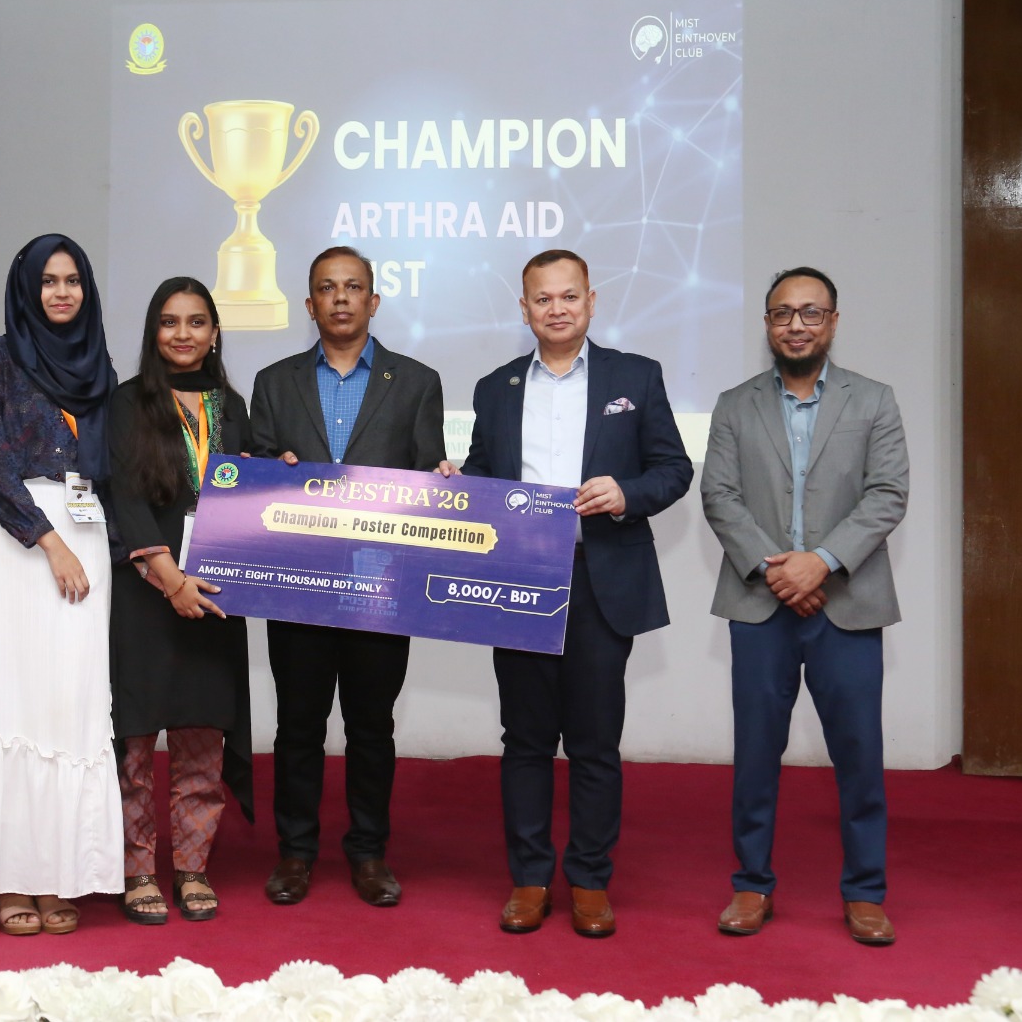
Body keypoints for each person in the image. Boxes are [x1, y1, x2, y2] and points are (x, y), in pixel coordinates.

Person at [460, 249, 692, 937]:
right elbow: (482, 475)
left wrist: (627, 493)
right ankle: (530, 878)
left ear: (592, 301)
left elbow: (674, 469)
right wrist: (455, 484)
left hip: (600, 578)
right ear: (524, 308)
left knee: (594, 743)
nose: (556, 309)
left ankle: (590, 880)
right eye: (543, 299)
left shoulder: (635, 376)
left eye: (569, 296)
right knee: (526, 740)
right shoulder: (495, 387)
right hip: (519, 580)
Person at [700, 266, 909, 945]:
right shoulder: (734, 405)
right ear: (766, 323)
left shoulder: (873, 400)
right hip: (760, 603)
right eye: (783, 313)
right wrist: (780, 567)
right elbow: (719, 496)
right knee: (756, 754)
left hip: (847, 603)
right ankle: (751, 884)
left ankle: (866, 891)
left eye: (811, 312)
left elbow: (887, 493)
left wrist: (821, 560)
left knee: (859, 754)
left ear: (833, 322)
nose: (796, 324)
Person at [0, 234, 123, 936]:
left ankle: (57, 873)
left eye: (72, 280)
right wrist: (48, 541)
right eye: (48, 280)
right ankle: (6, 876)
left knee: (68, 705)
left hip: (86, 540)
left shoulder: (100, 369)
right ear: (26, 288)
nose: (61, 292)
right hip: (16, 544)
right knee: (7, 699)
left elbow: (111, 469)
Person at [249, 246, 446, 908]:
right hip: (297, 585)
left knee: (371, 726)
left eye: (353, 287)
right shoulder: (274, 382)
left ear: (373, 300)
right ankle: (295, 853)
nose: (340, 298)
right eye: (327, 288)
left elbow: (427, 479)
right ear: (309, 305)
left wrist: (443, 480)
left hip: (379, 586)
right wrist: (269, 471)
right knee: (298, 726)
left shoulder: (416, 382)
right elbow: (255, 480)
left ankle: (368, 852)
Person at [107, 277, 254, 924]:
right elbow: (124, 497)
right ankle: (137, 869)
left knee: (202, 739)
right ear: (153, 331)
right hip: (145, 596)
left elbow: (249, 494)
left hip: (215, 596)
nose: (184, 333)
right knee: (136, 744)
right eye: (170, 321)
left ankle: (192, 866)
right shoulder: (126, 401)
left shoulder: (233, 405)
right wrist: (170, 579)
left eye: (197, 321)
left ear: (215, 332)